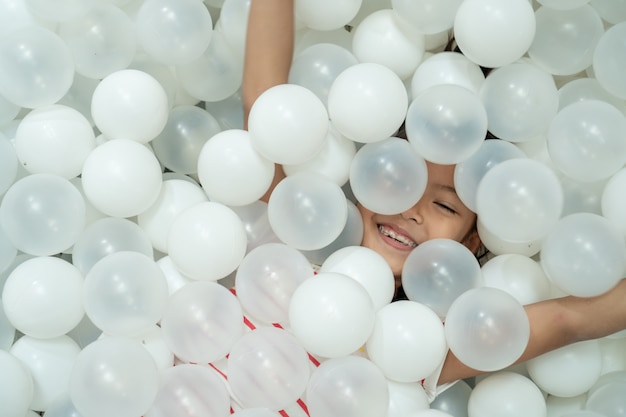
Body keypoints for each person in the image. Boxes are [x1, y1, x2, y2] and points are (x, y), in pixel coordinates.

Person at [241, 0, 626, 401]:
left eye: (445, 206)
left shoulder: (421, 341)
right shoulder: (296, 239)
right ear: (363, 174)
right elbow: (263, 108)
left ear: (471, 242)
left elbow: (568, 320)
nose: (411, 209)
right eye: (396, 179)